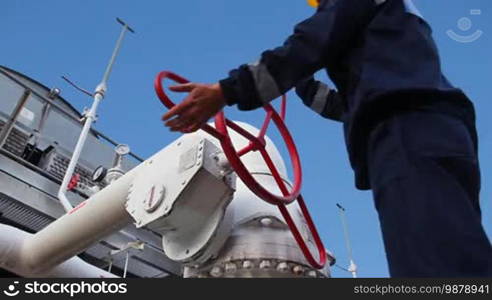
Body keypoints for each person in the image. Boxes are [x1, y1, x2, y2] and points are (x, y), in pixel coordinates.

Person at [162, 0, 492, 277]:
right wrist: (301, 83)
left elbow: (310, 44)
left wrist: (226, 91)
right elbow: (347, 103)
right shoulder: (395, 27)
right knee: (457, 249)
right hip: (437, 134)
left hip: (404, 134)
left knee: (430, 262)